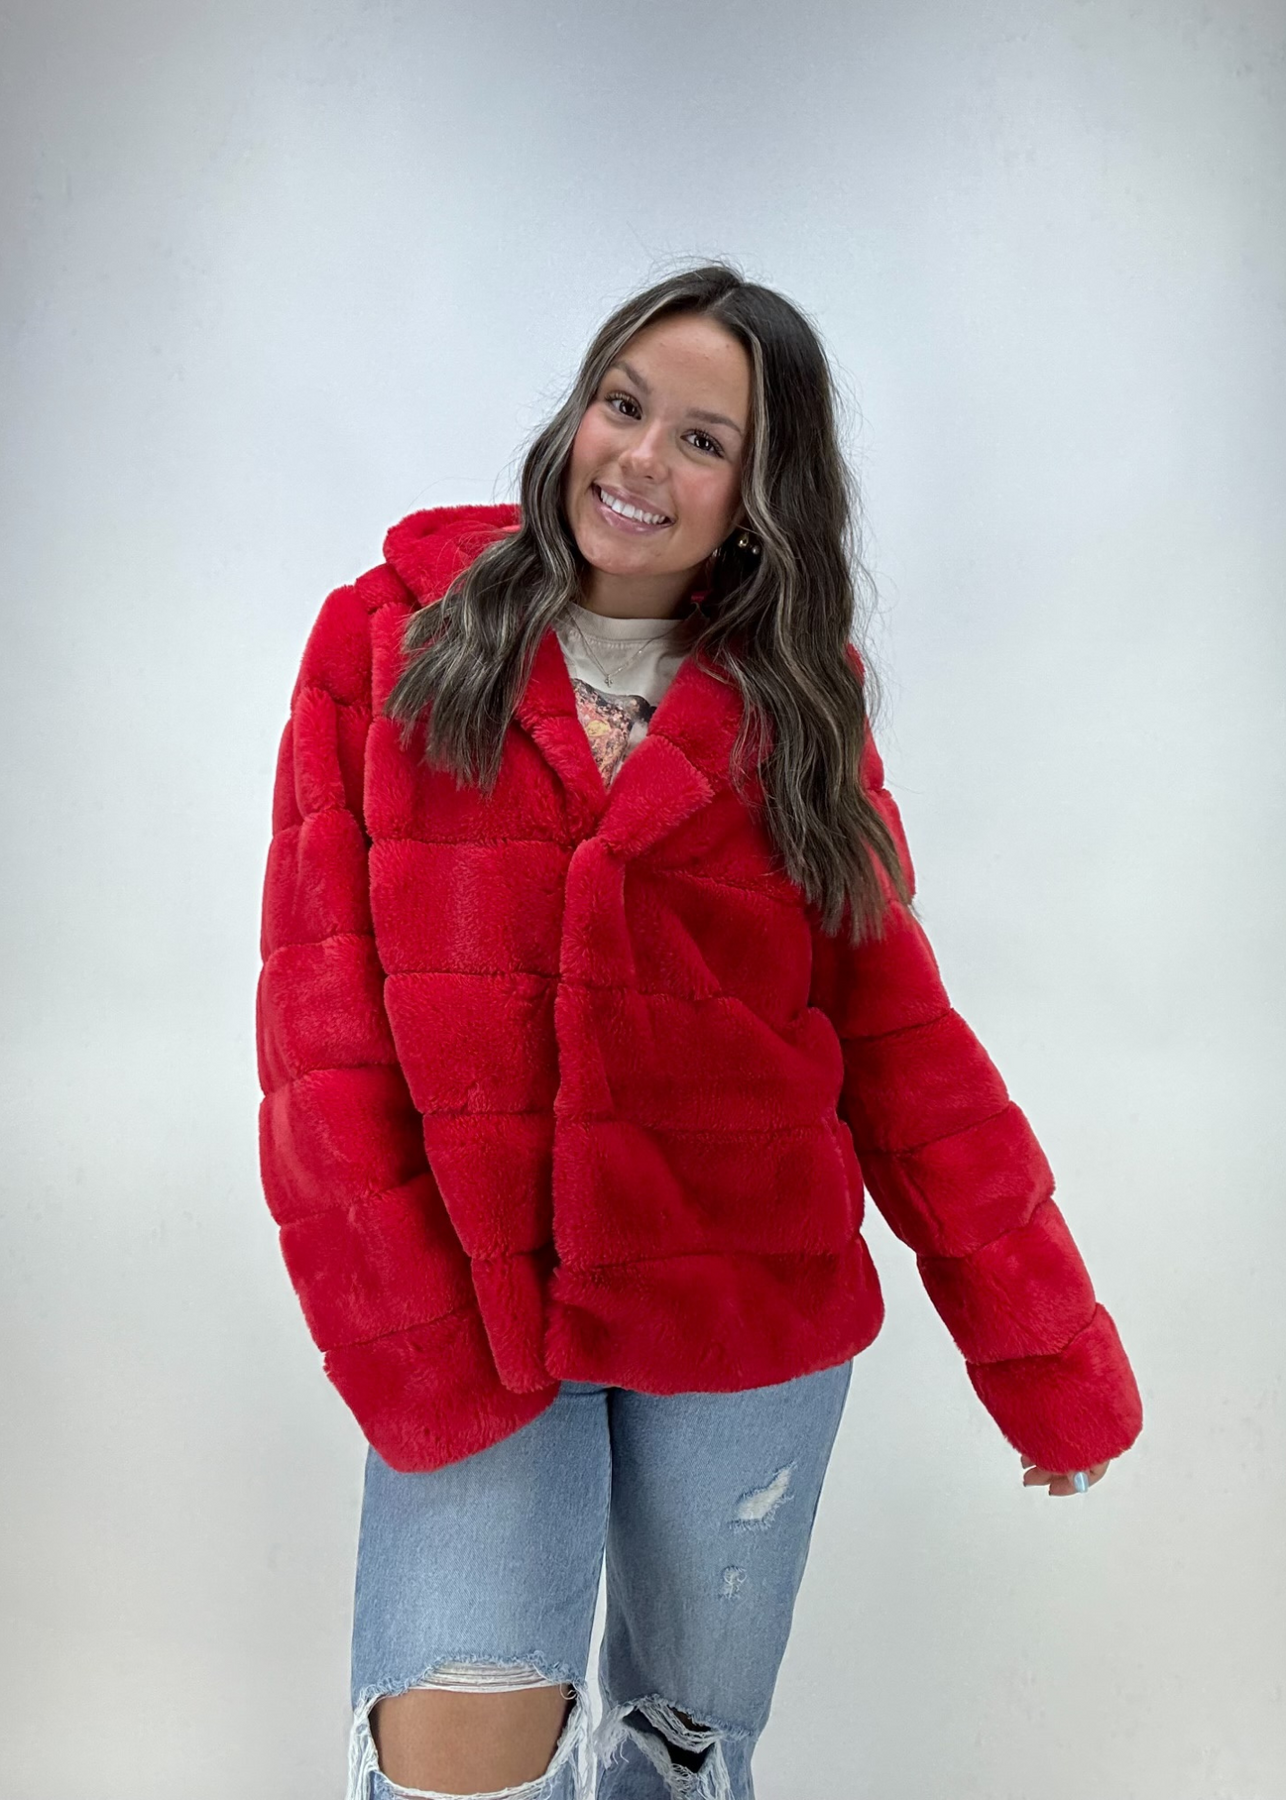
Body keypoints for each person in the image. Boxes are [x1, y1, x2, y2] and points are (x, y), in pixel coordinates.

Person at [256, 260, 1143, 1800]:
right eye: (623, 405)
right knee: (455, 1763)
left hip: (743, 1313)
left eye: (702, 439)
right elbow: (315, 1027)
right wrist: (406, 1331)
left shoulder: (796, 704)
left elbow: (898, 1043)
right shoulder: (390, 640)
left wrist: (1048, 1358)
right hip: (472, 1314)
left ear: (755, 496)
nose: (640, 458)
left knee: (680, 1756)